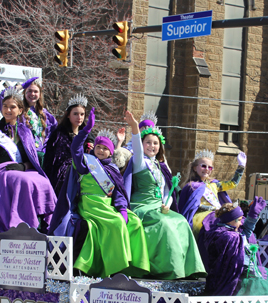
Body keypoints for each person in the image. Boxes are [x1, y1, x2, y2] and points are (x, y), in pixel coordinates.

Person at [49, 108, 150, 278]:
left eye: (105, 148)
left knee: (134, 222)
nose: (101, 150)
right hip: (90, 205)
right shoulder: (86, 163)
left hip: (107, 204)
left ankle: (133, 267)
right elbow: (75, 149)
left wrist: (123, 209)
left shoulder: (112, 169)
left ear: (111, 152)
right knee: (117, 223)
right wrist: (86, 130)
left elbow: (118, 194)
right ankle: (114, 269)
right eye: (98, 147)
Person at [123, 111, 205, 280]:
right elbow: (137, 149)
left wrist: (166, 203)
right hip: (142, 207)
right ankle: (169, 270)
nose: (152, 146)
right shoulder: (139, 162)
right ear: (142, 143)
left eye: (155, 143)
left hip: (158, 206)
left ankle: (188, 269)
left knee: (181, 221)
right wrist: (134, 126)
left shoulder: (160, 167)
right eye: (148, 143)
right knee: (164, 224)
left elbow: (166, 190)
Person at [0, 87, 56, 233]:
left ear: (20, 110)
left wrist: (23, 166)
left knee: (43, 181)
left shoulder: (25, 131)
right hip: (0, 172)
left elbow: (32, 158)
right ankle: (22, 225)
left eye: (12, 107)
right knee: (24, 181)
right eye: (5, 106)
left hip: (22, 169)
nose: (8, 110)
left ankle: (46, 223)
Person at [179, 149, 246, 238]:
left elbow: (232, 184)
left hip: (216, 212)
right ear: (195, 168)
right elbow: (188, 205)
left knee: (240, 221)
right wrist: (213, 208)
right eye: (203, 166)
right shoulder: (190, 186)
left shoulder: (215, 184)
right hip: (201, 215)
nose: (207, 169)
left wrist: (241, 167)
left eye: (210, 167)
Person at [43, 94, 91, 195]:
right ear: (68, 115)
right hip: (65, 175)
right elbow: (55, 160)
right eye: (75, 114)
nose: (79, 117)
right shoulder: (59, 135)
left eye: (82, 114)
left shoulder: (87, 136)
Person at [21, 75, 58, 155]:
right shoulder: (19, 112)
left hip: (42, 153)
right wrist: (20, 87)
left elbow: (54, 132)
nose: (32, 94)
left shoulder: (46, 115)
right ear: (24, 92)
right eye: (29, 91)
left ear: (40, 94)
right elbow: (4, 98)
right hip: (26, 153)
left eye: (35, 91)